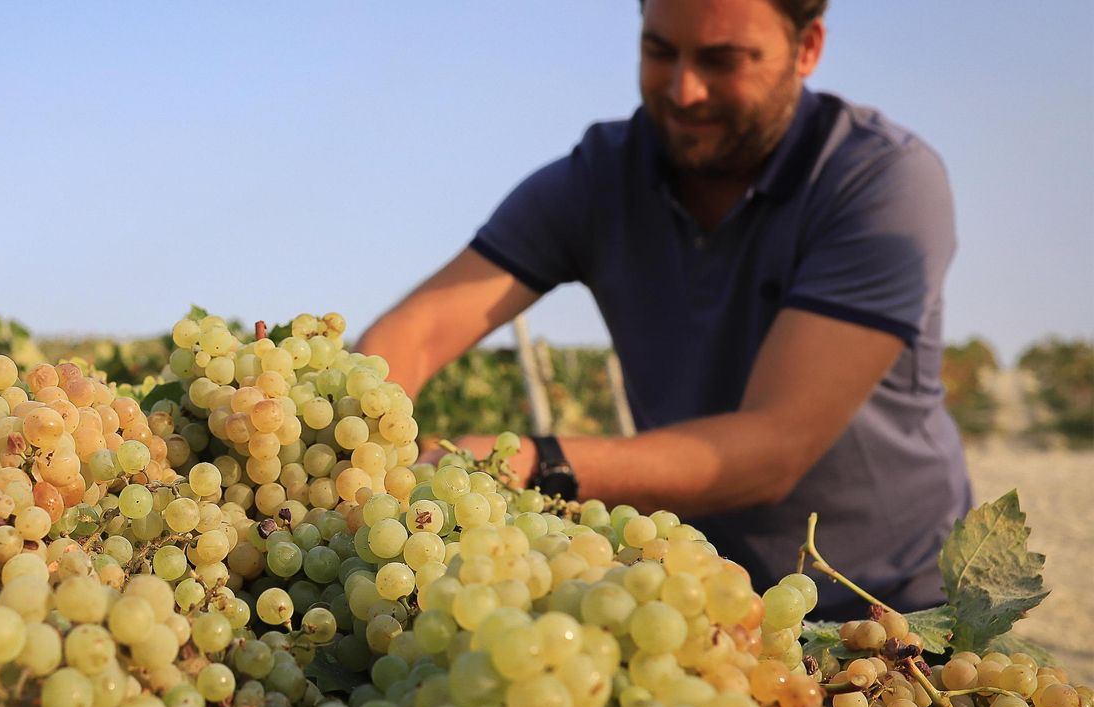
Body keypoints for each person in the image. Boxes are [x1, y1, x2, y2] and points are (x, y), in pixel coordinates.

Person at [354, 0, 972, 620]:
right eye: (660, 51)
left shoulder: (880, 182)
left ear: (807, 47)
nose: (684, 90)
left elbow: (775, 445)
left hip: (898, 609)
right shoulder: (600, 177)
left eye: (721, 59)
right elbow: (421, 331)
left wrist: (538, 462)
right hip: (698, 601)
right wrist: (351, 445)